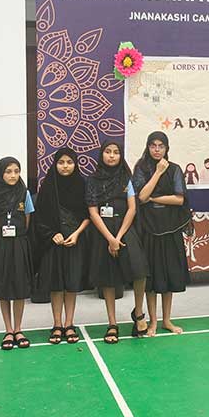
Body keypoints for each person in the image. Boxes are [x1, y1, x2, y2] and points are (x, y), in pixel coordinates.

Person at [86, 142, 149, 344]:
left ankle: (138, 313)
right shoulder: (93, 180)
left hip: (125, 230)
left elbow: (132, 208)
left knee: (140, 271)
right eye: (108, 152)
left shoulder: (126, 178)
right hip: (104, 233)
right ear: (102, 154)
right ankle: (112, 323)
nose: (112, 156)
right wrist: (110, 239)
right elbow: (93, 212)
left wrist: (119, 236)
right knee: (108, 278)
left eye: (116, 152)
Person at [133, 131, 190, 336]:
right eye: (153, 145)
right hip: (148, 229)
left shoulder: (175, 169)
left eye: (161, 146)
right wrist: (157, 172)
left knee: (168, 276)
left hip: (170, 228)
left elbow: (179, 199)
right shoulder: (141, 168)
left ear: (167, 148)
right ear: (148, 147)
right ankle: (153, 322)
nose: (157, 150)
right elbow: (141, 197)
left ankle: (167, 320)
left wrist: (155, 198)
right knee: (152, 278)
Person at [0, 157, 35, 350]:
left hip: (19, 244)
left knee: (20, 288)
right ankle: (8, 330)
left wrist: (19, 237)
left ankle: (18, 329)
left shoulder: (24, 193)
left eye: (16, 171)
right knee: (3, 289)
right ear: (0, 173)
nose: (13, 175)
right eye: (8, 171)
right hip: (0, 245)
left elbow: (27, 219)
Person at [33, 148, 90, 345]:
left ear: (75, 164)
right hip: (54, 243)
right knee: (56, 285)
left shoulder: (82, 185)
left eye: (69, 162)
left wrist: (77, 233)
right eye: (61, 162)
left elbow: (88, 215)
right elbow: (39, 218)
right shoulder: (48, 186)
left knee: (71, 285)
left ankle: (69, 324)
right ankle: (57, 324)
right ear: (55, 164)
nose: (65, 166)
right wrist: (52, 235)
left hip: (75, 241)